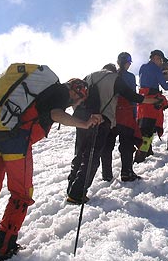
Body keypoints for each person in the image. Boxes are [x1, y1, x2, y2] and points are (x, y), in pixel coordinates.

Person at [0, 78, 101, 261]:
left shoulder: (40, 93)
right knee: (21, 195)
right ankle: (3, 248)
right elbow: (56, 113)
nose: (78, 103)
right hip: (17, 144)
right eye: (80, 98)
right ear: (75, 91)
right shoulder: (59, 92)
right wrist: (83, 124)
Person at [67, 64, 162, 203]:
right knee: (91, 156)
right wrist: (154, 100)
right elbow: (134, 97)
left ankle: (71, 188)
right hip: (101, 119)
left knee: (79, 153)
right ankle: (77, 193)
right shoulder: (114, 79)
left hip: (80, 118)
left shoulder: (89, 75)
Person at [101, 52, 144, 182]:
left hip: (109, 115)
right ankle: (127, 173)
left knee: (107, 145)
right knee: (126, 144)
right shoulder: (130, 77)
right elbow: (132, 96)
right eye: (129, 62)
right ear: (126, 62)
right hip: (125, 114)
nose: (130, 64)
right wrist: (134, 116)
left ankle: (106, 174)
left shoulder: (110, 75)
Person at [134, 49, 168, 163]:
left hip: (142, 100)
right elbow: (165, 87)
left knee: (144, 126)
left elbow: (149, 78)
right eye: (161, 60)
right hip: (152, 102)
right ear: (156, 58)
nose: (161, 63)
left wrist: (162, 73)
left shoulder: (143, 67)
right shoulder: (156, 69)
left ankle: (148, 150)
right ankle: (140, 157)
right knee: (149, 128)